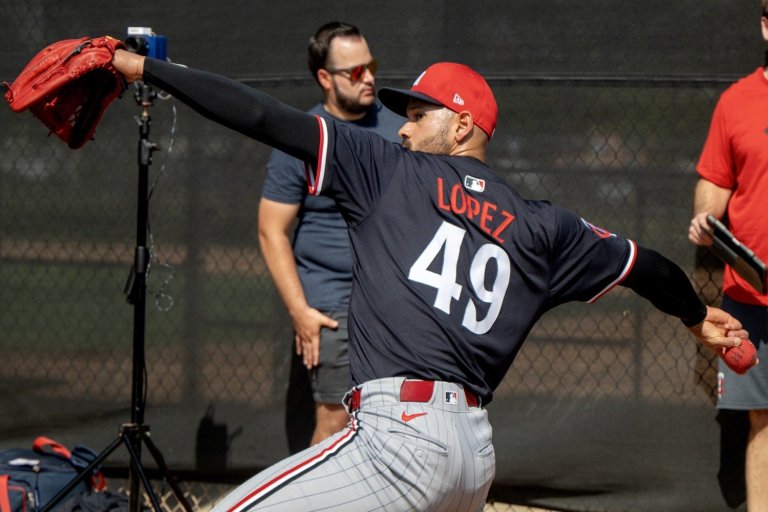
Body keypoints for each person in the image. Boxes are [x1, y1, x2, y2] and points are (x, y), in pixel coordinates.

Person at [105, 49, 753, 511]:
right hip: (472, 455)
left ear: (463, 125)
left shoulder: (388, 169)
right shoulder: (545, 226)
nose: (404, 126)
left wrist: (146, 69)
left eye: (421, 114)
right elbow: (650, 267)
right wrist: (696, 320)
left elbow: (264, 117)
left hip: (400, 439)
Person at [258, 22, 402, 453]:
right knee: (336, 421)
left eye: (371, 66)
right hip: (334, 306)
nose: (371, 78)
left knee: (393, 419)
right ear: (325, 78)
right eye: (355, 72)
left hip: (393, 304)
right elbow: (271, 230)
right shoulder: (301, 136)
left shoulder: (401, 130)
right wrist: (301, 311)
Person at [688, 3, 768, 509]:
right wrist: (705, 218)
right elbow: (715, 181)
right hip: (752, 295)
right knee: (762, 418)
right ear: (765, 24)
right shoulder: (737, 101)